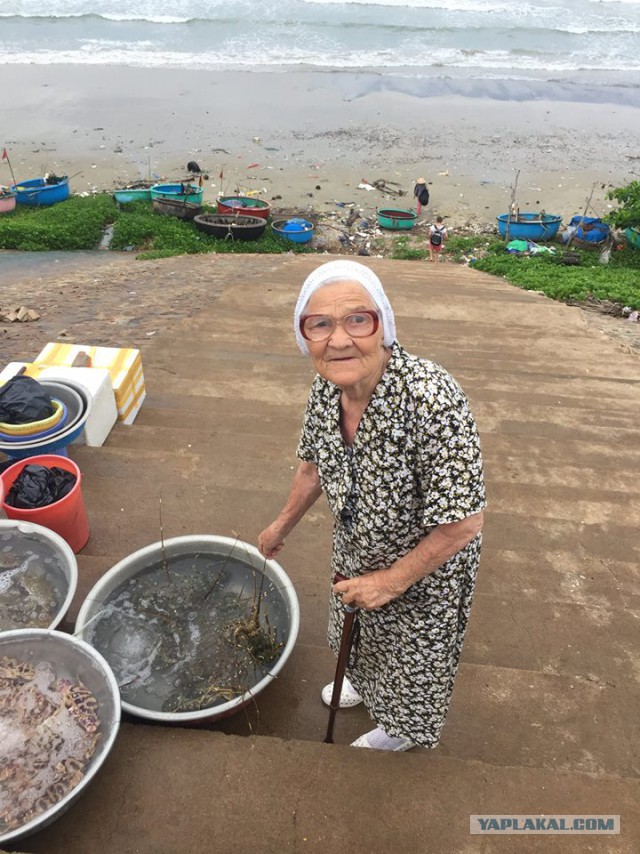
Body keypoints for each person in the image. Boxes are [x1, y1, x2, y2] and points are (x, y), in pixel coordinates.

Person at [258, 260, 485, 752]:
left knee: (411, 654)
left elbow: (463, 524)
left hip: (426, 567)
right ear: (305, 336)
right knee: (355, 623)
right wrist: (281, 526)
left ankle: (400, 730)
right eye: (320, 324)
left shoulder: (432, 399)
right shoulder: (327, 387)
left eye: (358, 320)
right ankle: (361, 679)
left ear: (384, 325)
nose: (338, 340)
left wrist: (390, 581)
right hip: (356, 544)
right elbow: (314, 466)